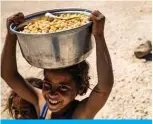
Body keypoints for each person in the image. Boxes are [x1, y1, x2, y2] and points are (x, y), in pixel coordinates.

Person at [1, 10, 114, 119]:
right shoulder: (41, 103)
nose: (52, 94)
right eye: (48, 85)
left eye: (63, 87)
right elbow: (8, 75)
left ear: (81, 88)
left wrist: (99, 36)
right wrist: (11, 34)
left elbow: (104, 88)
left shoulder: (79, 114)